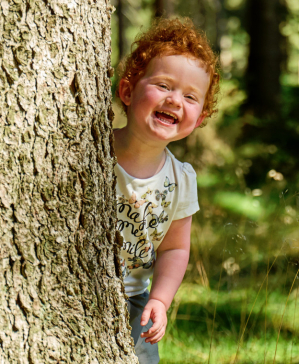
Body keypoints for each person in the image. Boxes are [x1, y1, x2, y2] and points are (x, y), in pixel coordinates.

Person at [113, 18, 220, 363]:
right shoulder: (94, 151)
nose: (175, 100)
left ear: (200, 117)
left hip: (134, 302)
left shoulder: (182, 179)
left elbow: (174, 249)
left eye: (190, 97)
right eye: (163, 86)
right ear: (128, 91)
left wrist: (159, 299)